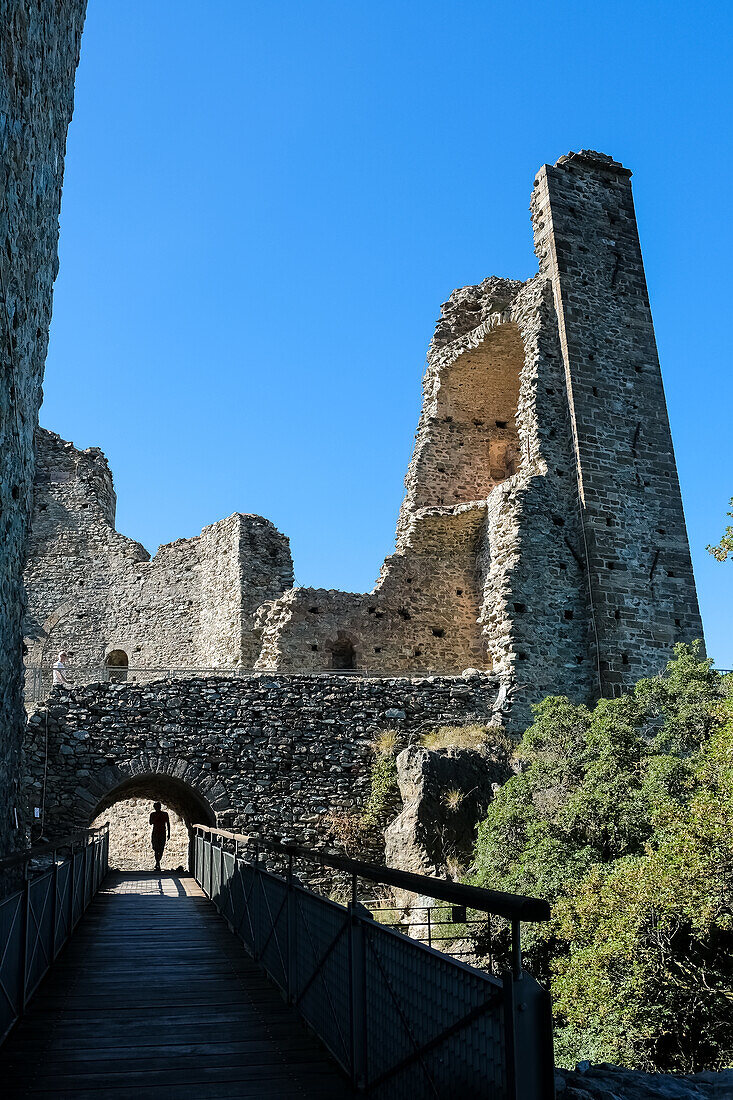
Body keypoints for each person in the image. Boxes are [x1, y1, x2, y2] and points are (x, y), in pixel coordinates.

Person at [149, 801, 170, 871]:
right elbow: (150, 823)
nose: (157, 808)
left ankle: (157, 862)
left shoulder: (165, 814)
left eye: (158, 807)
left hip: (162, 833)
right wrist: (156, 818)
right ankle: (157, 863)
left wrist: (169, 833)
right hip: (155, 833)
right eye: (156, 807)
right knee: (156, 848)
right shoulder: (152, 814)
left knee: (161, 848)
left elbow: (168, 824)